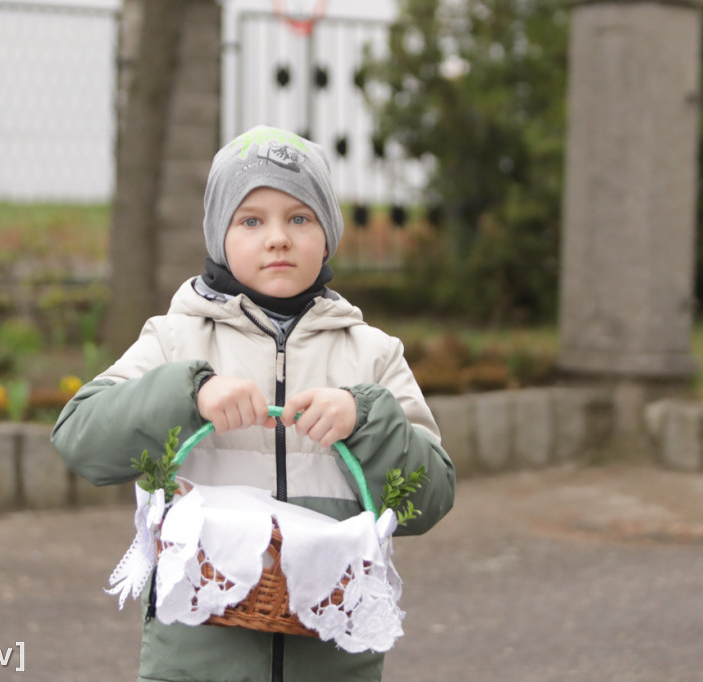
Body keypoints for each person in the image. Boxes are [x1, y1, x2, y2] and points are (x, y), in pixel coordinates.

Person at [51, 125, 456, 682]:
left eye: (300, 217)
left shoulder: (374, 356)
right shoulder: (175, 341)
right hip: (197, 662)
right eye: (250, 220)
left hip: (334, 664)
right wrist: (186, 393)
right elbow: (79, 441)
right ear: (219, 236)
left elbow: (428, 501)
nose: (278, 238)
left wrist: (366, 420)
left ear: (328, 233)